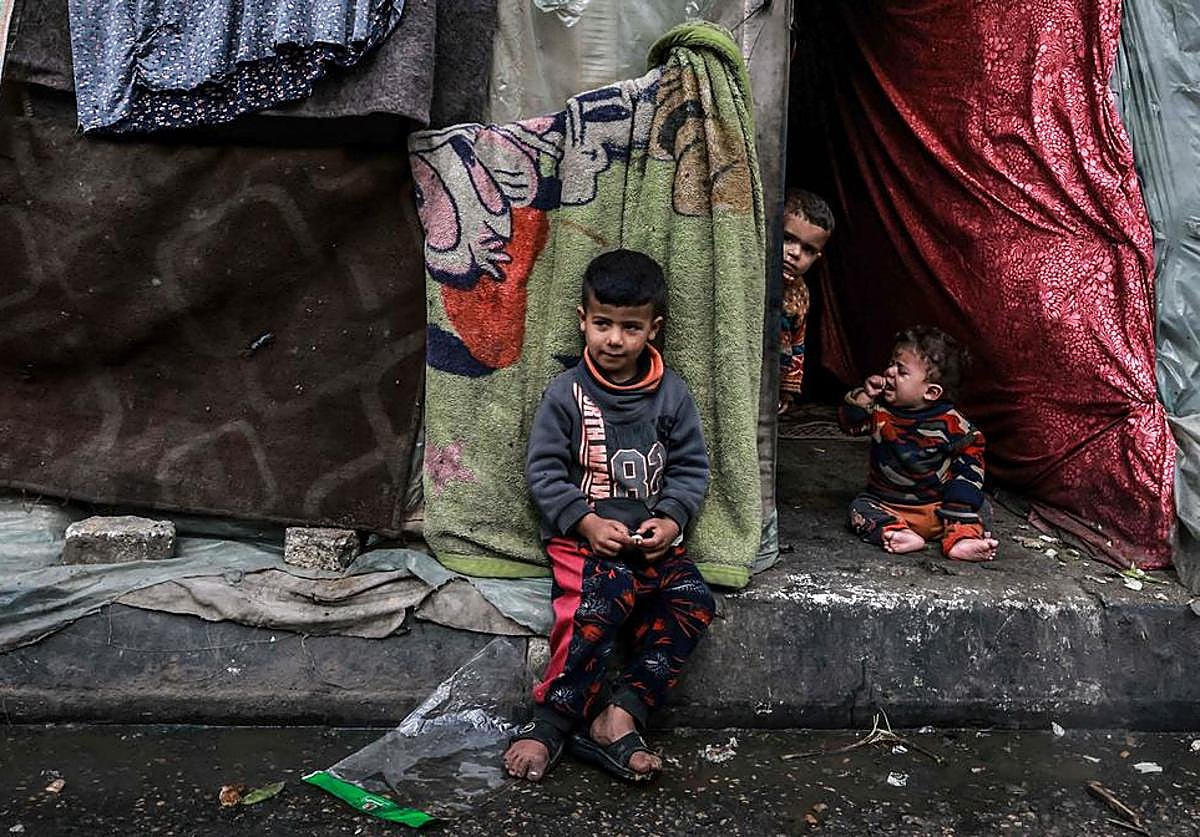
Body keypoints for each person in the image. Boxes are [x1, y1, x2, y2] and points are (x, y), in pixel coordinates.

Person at [502, 249, 716, 784]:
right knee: (605, 597)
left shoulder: (672, 395)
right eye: (602, 324)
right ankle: (551, 720)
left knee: (693, 600)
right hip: (584, 543)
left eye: (630, 327)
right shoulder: (566, 394)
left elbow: (691, 469)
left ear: (653, 329)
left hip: (651, 544)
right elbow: (544, 473)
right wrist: (586, 522)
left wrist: (669, 521)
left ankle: (622, 713)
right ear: (583, 321)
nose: (614, 340)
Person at [839, 325, 999, 562]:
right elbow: (849, 424)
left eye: (901, 371)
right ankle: (897, 532)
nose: (889, 372)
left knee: (981, 507)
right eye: (891, 364)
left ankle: (961, 539)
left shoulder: (953, 425)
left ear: (932, 392)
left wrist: (960, 500)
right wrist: (865, 396)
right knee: (859, 508)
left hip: (940, 507)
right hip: (888, 505)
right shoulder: (880, 412)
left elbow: (971, 461)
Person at [778, 188, 835, 414]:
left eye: (808, 250)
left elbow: (798, 342)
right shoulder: (753, 277)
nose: (795, 253)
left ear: (817, 257)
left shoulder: (800, 293)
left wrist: (787, 389)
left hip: (775, 376)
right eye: (788, 238)